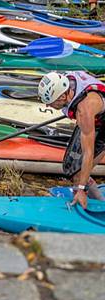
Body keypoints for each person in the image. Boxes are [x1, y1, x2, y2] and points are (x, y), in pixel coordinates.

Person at [38, 71, 105, 208]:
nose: (47, 106)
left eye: (50, 102)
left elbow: (88, 152)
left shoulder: (84, 110)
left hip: (101, 122)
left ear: (63, 96)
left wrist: (81, 188)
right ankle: (84, 196)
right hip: (94, 118)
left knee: (80, 174)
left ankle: (96, 203)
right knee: (72, 170)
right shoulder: (66, 80)